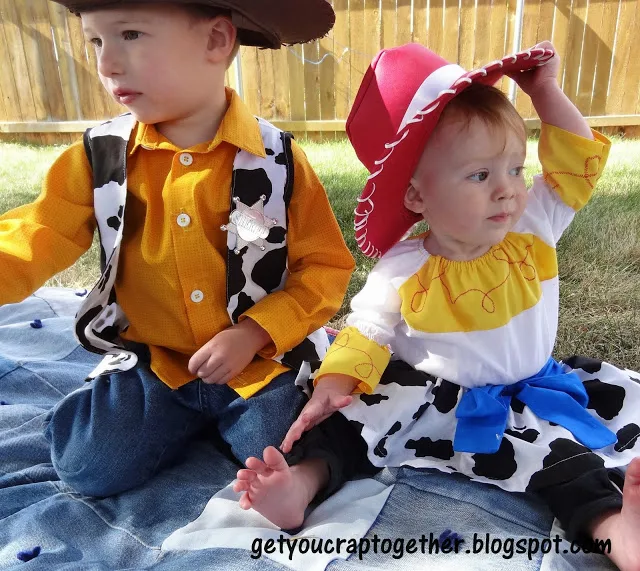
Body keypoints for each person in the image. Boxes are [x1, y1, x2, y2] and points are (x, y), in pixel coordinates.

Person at [234, 41, 640, 570]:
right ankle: (300, 485)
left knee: (566, 462)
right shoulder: (404, 268)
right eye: (480, 175)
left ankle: (616, 529)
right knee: (349, 428)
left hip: (529, 394)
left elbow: (576, 163)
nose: (507, 191)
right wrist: (335, 385)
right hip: (428, 396)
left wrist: (545, 91)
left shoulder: (533, 226)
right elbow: (367, 331)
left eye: (515, 169)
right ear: (417, 196)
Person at [0, 0, 354, 498]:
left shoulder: (277, 160)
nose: (107, 64)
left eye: (131, 35)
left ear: (215, 41)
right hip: (156, 364)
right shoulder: (100, 156)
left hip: (255, 363)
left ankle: (299, 472)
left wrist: (254, 334)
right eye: (96, 42)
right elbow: (38, 234)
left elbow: (325, 267)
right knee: (89, 468)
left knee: (287, 445)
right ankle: (122, 410)